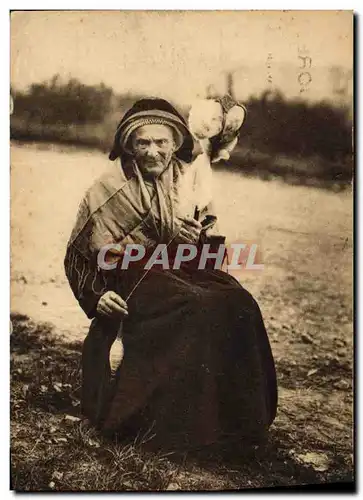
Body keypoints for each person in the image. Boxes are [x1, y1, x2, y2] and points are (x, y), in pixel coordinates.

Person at [64, 97, 277, 452]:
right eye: (142, 143)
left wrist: (199, 239)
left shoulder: (188, 177)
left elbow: (208, 247)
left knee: (238, 301)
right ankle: (169, 428)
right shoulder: (107, 188)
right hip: (133, 276)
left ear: (175, 143)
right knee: (195, 304)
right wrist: (97, 296)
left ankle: (238, 424)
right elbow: (79, 253)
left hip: (181, 268)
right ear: (128, 145)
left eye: (161, 142)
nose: (153, 152)